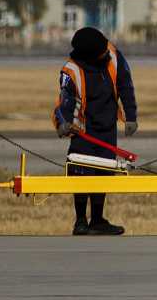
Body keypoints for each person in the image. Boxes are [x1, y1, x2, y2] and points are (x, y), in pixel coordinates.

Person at [53, 26, 139, 237]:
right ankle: (80, 221)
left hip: (107, 127)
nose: (106, 52)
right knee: (81, 172)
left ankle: (98, 220)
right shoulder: (70, 70)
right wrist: (62, 124)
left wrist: (131, 116)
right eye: (101, 51)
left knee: (104, 173)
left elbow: (126, 84)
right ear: (90, 55)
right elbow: (65, 100)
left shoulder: (113, 55)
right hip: (83, 130)